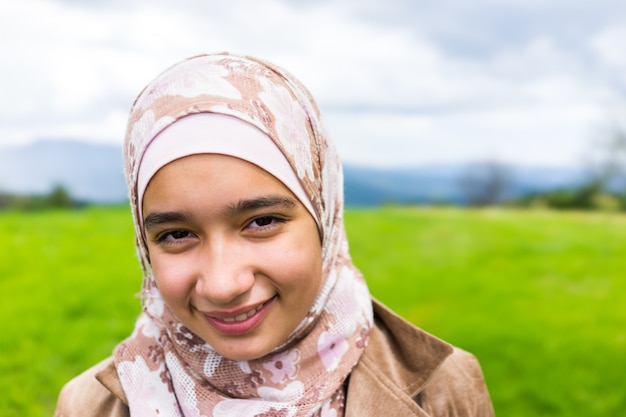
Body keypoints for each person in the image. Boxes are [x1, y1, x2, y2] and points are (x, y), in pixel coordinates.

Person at [54, 53, 494, 416]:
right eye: (176, 234)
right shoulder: (87, 406)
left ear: (324, 216)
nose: (224, 285)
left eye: (261, 222)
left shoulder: (444, 390)